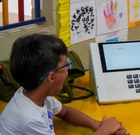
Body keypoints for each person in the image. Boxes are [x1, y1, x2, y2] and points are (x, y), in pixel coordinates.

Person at [0, 33, 129, 135]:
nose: (68, 70)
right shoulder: (29, 119)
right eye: (66, 65)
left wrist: (98, 125)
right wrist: (104, 131)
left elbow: (66, 112)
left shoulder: (37, 94)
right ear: (51, 77)